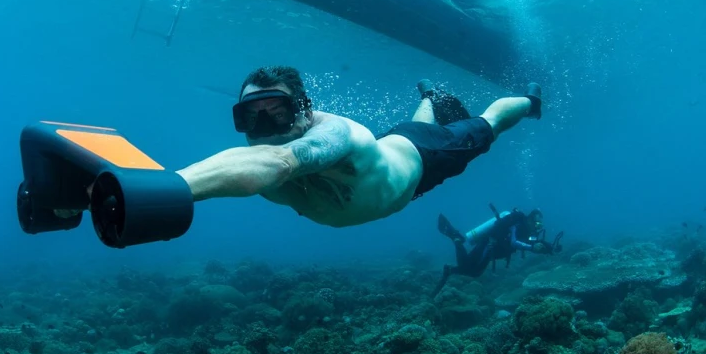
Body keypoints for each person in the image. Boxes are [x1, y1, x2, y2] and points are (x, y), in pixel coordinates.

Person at [171, 65, 543, 229]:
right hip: (391, 150)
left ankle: (531, 102)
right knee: (412, 125)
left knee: (489, 124)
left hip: (427, 156)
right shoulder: (250, 160)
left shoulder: (336, 134)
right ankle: (430, 96)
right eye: (251, 118)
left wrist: (168, 188)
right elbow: (254, 164)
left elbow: (281, 161)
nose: (264, 129)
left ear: (305, 111)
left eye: (278, 114)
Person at [433, 204, 563, 296]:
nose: (538, 227)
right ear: (530, 218)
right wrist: (532, 247)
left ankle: (449, 270)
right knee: (466, 265)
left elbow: (533, 242)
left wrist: (550, 247)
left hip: (492, 251)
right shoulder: (517, 223)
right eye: (537, 224)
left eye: (540, 225)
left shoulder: (526, 231)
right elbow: (514, 242)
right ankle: (456, 238)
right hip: (487, 244)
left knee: (475, 272)